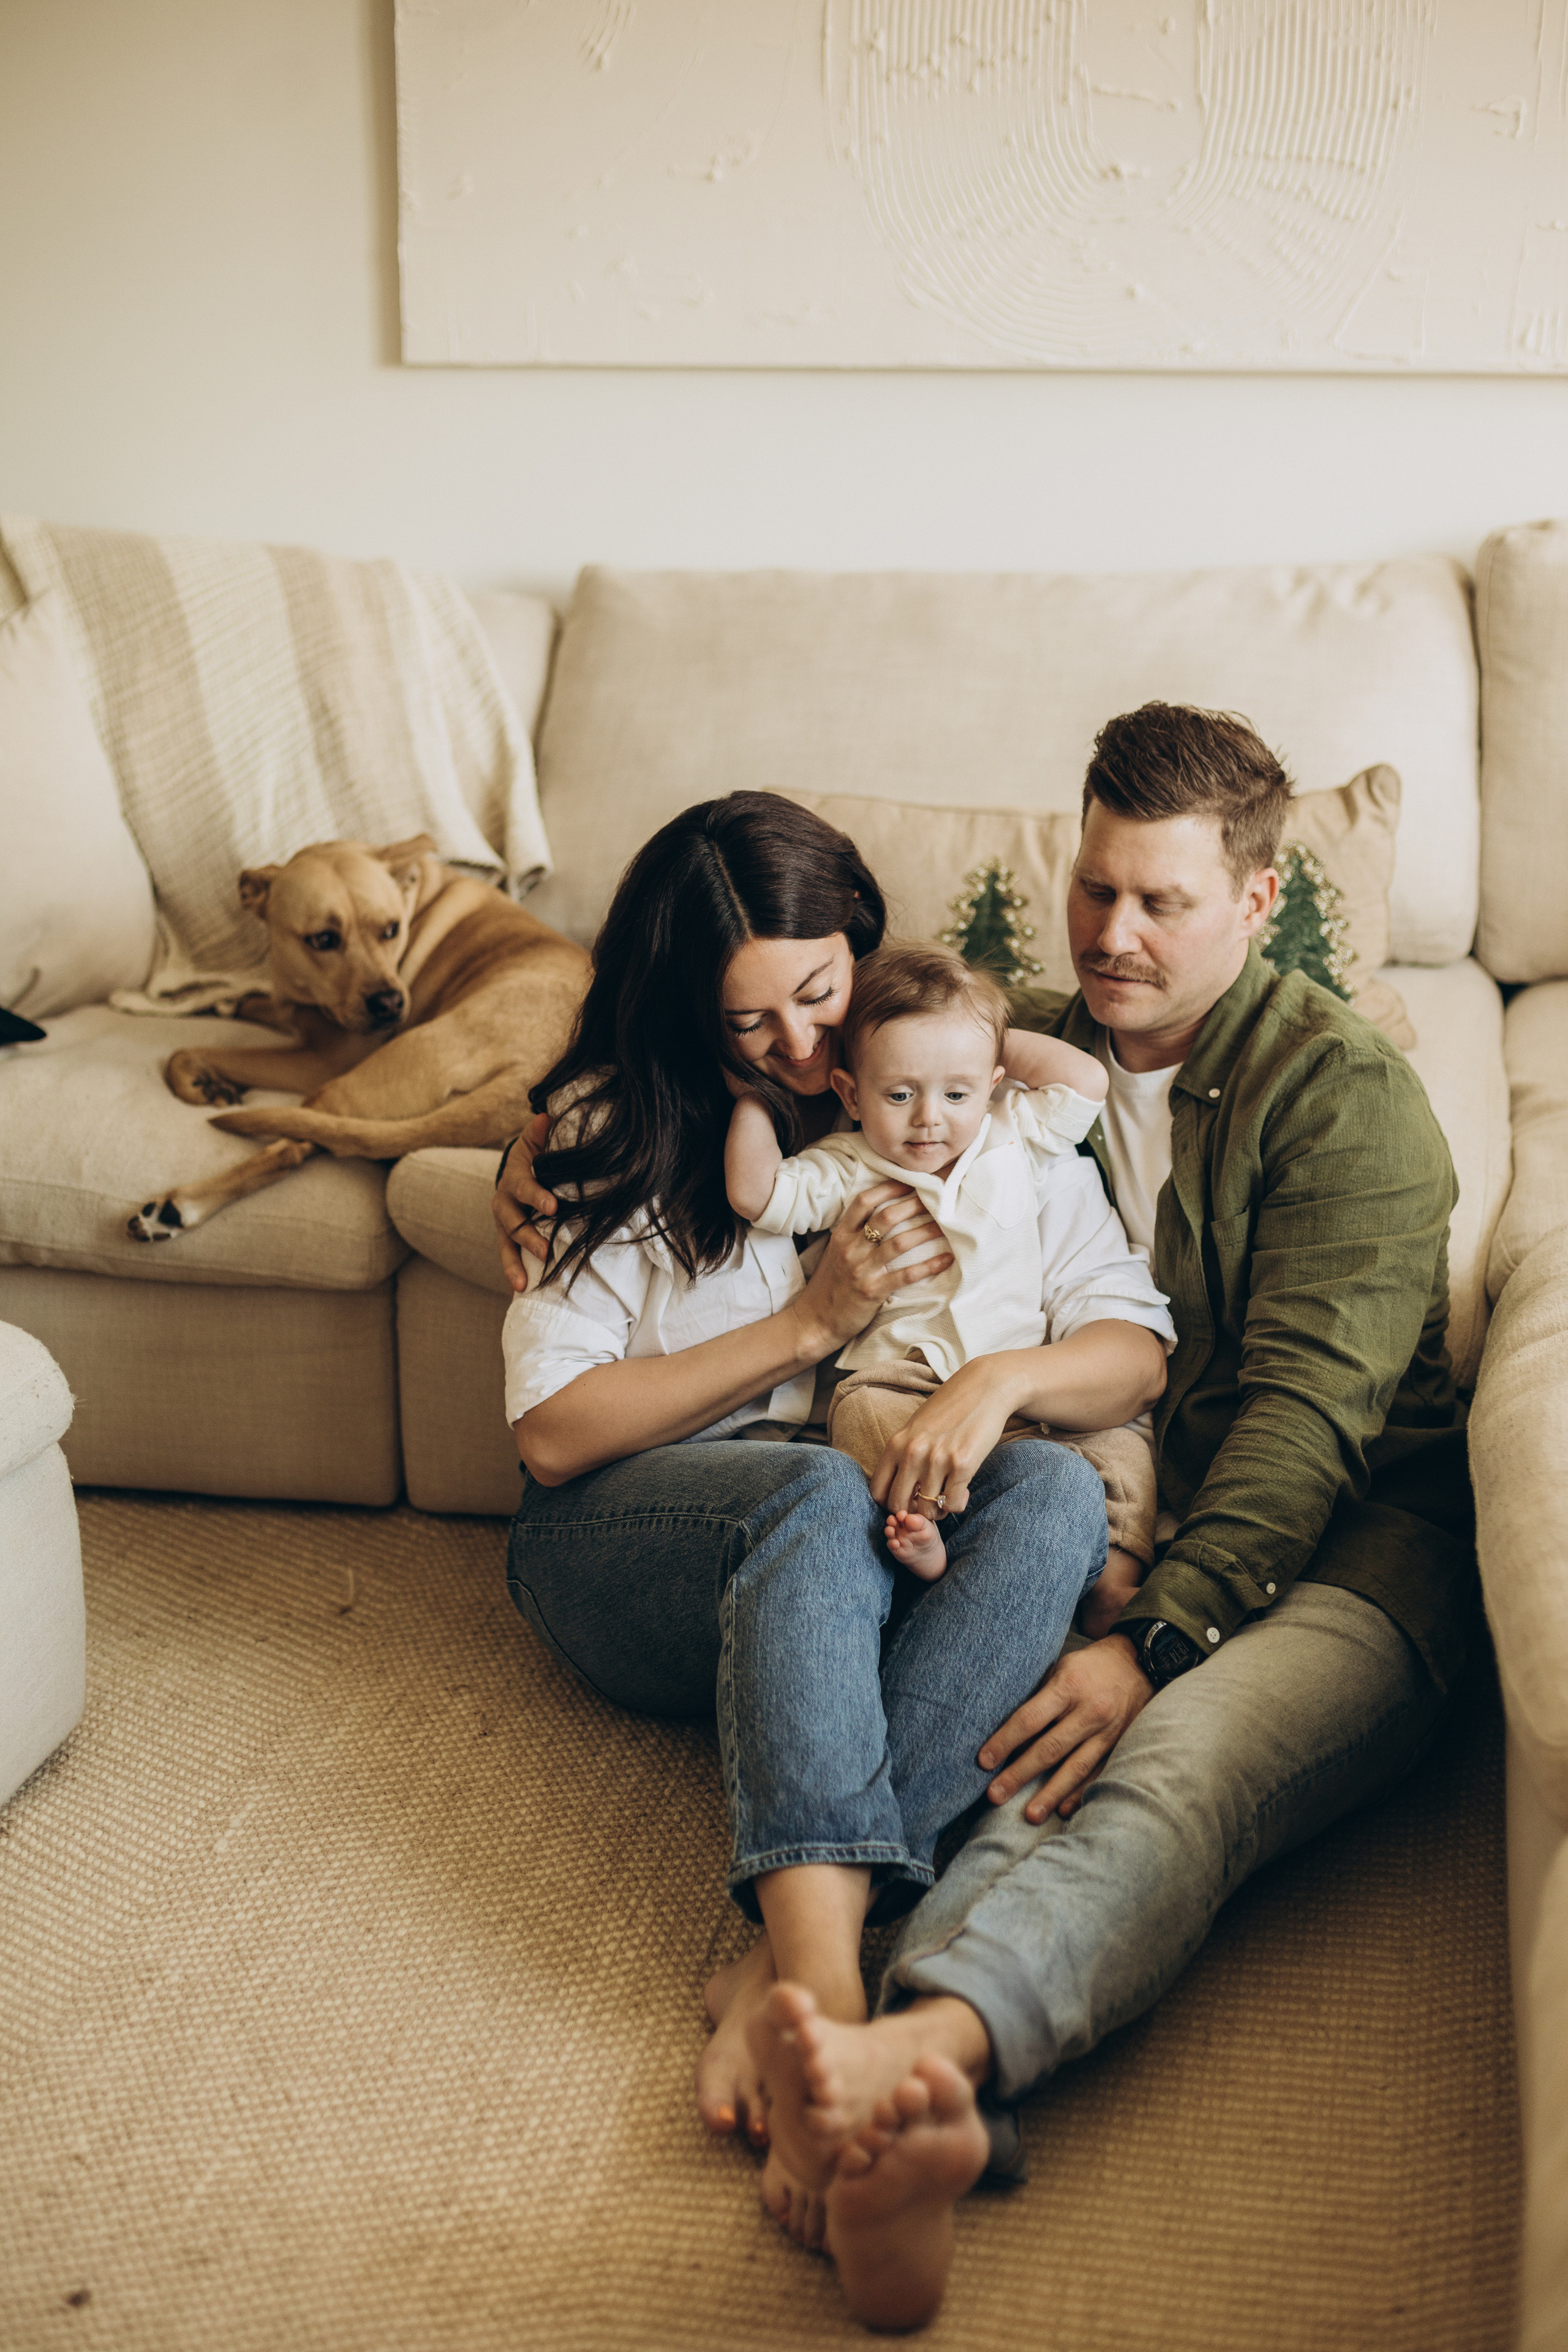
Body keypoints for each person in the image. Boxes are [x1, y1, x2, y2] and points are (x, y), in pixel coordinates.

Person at [712, 704, 1477, 2331]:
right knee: (1003, 1758)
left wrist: (1148, 1637)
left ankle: (922, 2063)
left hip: (1346, 1548)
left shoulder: (1346, 1102)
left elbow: (1305, 1427)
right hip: (1084, 1517)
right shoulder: (1008, 1051)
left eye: (1164, 903)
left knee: (1161, 1761)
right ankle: (864, 2066)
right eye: (1093, 890)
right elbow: (814, 1104)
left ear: (1260, 904)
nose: (1113, 937)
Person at [493, 791, 1172, 2305]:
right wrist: (809, 1325)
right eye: (755, 1025)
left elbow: (1077, 1178)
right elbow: (550, 1437)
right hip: (626, 1539)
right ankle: (826, 1995)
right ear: (688, 1013)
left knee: (1052, 1503)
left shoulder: (916, 1103)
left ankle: (783, 1959)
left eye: (823, 996)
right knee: (805, 1491)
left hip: (835, 1559)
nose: (804, 1049)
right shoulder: (609, 1132)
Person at [725, 938, 1156, 1607]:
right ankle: (929, 1544)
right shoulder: (849, 1162)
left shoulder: (1011, 1129)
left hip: (1026, 1388)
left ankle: (1113, 1583)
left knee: (1122, 1447)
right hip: (903, 1379)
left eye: (954, 1092)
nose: (929, 1119)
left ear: (989, 1084)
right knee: (864, 1418)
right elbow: (755, 1193)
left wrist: (981, 1044)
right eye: (899, 1093)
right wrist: (753, 1097)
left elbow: (1085, 1083)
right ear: (851, 1094)